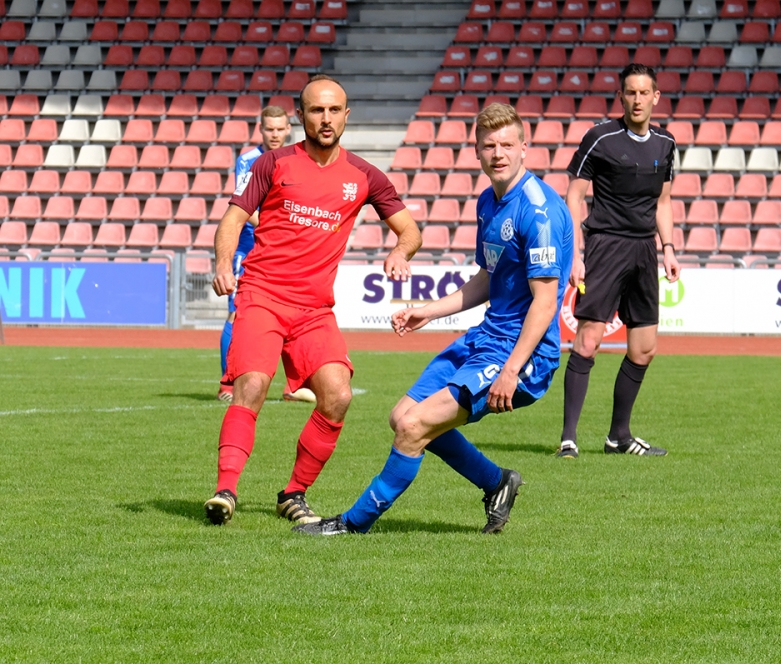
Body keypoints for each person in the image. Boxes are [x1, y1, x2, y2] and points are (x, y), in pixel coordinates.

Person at [294, 103, 573, 537]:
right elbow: (487, 278)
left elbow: (544, 303)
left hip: (524, 354)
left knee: (414, 427)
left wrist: (511, 370)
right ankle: (497, 482)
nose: (498, 154)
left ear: (524, 148)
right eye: (489, 146)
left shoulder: (539, 211)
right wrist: (429, 310)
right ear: (477, 151)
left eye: (507, 145)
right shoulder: (489, 201)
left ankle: (352, 524)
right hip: (488, 338)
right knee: (402, 415)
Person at [204, 74, 422, 526]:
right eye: (317, 110)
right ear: (301, 115)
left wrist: (400, 252)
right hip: (262, 295)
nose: (326, 118)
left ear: (346, 115)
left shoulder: (365, 175)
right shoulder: (273, 164)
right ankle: (226, 489)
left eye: (334, 110)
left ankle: (294, 494)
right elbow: (233, 219)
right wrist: (224, 263)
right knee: (253, 385)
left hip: (314, 310)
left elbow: (410, 230)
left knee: (338, 395)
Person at [556, 63, 681, 459]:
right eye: (631, 92)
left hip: (645, 249)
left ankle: (618, 438)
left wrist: (668, 247)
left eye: (644, 93)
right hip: (606, 246)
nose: (637, 100)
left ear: (656, 97)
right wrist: (575, 254)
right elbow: (574, 196)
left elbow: (663, 202)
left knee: (644, 349)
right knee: (588, 341)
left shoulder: (666, 143)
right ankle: (569, 439)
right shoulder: (600, 138)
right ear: (621, 97)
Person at [217, 106, 315, 404]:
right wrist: (276, 230)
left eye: (279, 129)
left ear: (288, 129)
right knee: (238, 312)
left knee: (294, 312)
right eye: (269, 129)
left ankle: (294, 386)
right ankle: (228, 385)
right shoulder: (248, 160)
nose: (274, 134)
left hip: (285, 250)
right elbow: (244, 208)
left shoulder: (300, 159)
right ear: (261, 129)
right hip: (251, 247)